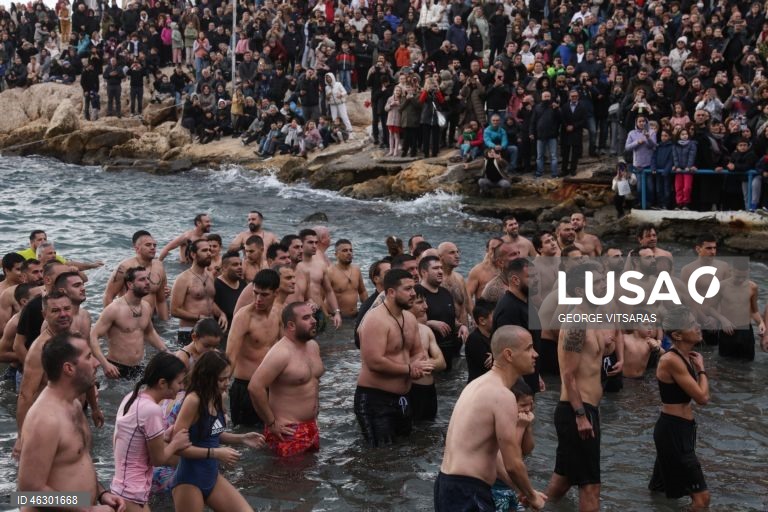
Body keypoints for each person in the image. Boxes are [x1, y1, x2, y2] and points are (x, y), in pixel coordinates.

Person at [435, 325, 546, 512]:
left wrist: (523, 490)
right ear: (509, 355)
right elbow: (512, 463)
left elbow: (494, 458)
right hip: (467, 492)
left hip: (448, 485)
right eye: (529, 348)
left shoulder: (477, 384)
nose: (535, 354)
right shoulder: (502, 396)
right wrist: (532, 497)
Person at [17, 332, 126, 512]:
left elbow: (78, 461)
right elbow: (29, 493)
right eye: (89, 357)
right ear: (69, 368)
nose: (97, 363)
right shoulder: (45, 419)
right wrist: (87, 510)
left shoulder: (74, 404)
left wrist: (102, 493)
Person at [545, 264, 610, 511]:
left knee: (562, 482)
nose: (603, 286)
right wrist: (581, 416)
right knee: (590, 486)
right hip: (577, 412)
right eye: (597, 284)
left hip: (585, 410)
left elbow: (591, 359)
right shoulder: (576, 322)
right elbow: (568, 375)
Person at [172, 351, 264, 512]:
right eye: (222, 379)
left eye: (229, 378)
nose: (227, 383)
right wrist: (215, 453)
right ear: (206, 377)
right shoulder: (193, 401)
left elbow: (211, 434)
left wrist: (242, 438)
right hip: (189, 480)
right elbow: (177, 447)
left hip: (211, 476)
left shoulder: (218, 397)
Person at [355, 269, 434, 447]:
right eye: (407, 289)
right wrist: (409, 369)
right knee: (381, 456)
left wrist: (419, 365)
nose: (413, 293)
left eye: (413, 288)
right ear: (391, 292)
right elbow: (374, 362)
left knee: (402, 452)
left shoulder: (410, 318)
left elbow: (417, 352)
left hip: (404, 398)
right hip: (375, 400)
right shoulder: (376, 320)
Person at [111, 352, 192, 510]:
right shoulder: (152, 410)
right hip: (133, 493)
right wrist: (175, 444)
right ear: (162, 383)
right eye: (179, 383)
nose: (182, 387)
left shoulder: (131, 397)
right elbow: (158, 460)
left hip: (122, 487)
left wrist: (165, 436)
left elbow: (131, 441)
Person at [648, 305, 710, 511]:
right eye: (692, 324)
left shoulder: (684, 356)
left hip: (680, 430)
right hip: (673, 432)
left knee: (658, 492)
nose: (698, 326)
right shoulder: (672, 360)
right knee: (702, 500)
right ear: (677, 334)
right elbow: (702, 397)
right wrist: (702, 371)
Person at [249, 302, 325, 456]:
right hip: (288, 431)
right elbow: (255, 387)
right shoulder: (281, 353)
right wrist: (271, 424)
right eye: (306, 318)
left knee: (311, 476)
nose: (313, 320)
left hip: (311, 426)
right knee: (287, 478)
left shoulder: (313, 346)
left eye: (312, 316)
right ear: (291, 325)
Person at [91, 266, 169, 379]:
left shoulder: (146, 307)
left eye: (148, 278)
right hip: (117, 368)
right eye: (142, 280)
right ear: (130, 285)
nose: (147, 282)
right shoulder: (114, 308)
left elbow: (149, 332)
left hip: (140, 366)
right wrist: (104, 364)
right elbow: (93, 335)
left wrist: (166, 351)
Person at [226, 269, 281, 428]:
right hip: (245, 388)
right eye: (255, 293)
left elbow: (285, 349)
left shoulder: (277, 313)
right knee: (245, 438)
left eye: (264, 295)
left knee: (271, 436)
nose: (258, 299)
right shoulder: (243, 317)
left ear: (276, 293)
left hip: (270, 387)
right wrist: (219, 390)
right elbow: (230, 356)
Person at [171, 240, 227, 345]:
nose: (209, 253)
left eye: (210, 250)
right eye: (204, 250)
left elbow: (209, 300)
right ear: (193, 254)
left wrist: (221, 314)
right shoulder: (183, 279)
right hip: (189, 330)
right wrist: (199, 317)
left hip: (209, 330)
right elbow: (174, 310)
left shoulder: (210, 276)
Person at [103, 230, 169, 320]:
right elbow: (108, 296)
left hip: (151, 318)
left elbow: (161, 301)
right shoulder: (124, 267)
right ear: (137, 248)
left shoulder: (159, 266)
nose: (153, 248)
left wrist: (165, 323)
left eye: (154, 245)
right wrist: (115, 321)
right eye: (148, 245)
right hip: (129, 318)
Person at [492, 381, 537, 512]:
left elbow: (528, 450)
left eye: (530, 404)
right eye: (523, 405)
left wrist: (527, 427)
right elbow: (511, 456)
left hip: (511, 484)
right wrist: (520, 427)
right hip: (495, 486)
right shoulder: (501, 424)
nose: (528, 409)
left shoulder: (520, 420)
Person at [409, 291, 447, 421]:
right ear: (407, 304)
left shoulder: (426, 330)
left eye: (425, 302)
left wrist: (422, 365)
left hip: (429, 392)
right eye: (419, 302)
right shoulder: (399, 330)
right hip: (410, 391)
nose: (425, 306)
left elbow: (442, 363)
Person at [327, 239, 368, 318]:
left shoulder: (356, 270)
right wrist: (326, 316)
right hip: (337, 317)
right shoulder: (330, 272)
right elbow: (320, 297)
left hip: (355, 315)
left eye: (350, 250)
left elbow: (362, 292)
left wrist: (367, 309)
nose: (349, 253)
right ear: (336, 254)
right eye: (345, 250)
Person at [214, 251, 248, 332]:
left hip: (240, 331)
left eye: (240, 264)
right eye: (235, 265)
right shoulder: (216, 284)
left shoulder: (243, 284)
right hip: (222, 332)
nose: (240, 267)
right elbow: (208, 302)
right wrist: (221, 313)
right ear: (224, 268)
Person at [465, 298, 494, 383]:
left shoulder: (493, 335)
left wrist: (495, 356)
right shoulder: (474, 339)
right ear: (482, 321)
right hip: (478, 386)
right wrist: (497, 358)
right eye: (494, 316)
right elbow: (489, 366)